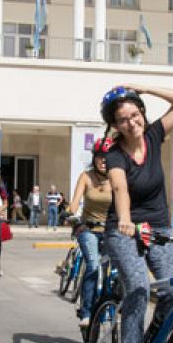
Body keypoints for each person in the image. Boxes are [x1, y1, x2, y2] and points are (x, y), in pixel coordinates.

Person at [100, 84, 173, 343]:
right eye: (123, 119)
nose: (132, 122)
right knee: (138, 289)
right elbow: (120, 189)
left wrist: (144, 89)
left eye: (135, 114)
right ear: (115, 125)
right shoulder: (114, 155)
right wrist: (125, 219)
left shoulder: (153, 135)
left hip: (160, 228)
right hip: (123, 231)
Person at [65, 138, 113, 328]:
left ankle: (110, 305)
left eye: (108, 157)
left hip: (111, 230)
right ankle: (86, 313)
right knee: (93, 265)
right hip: (89, 228)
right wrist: (71, 214)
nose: (104, 161)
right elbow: (75, 200)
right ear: (94, 158)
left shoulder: (117, 177)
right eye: (100, 157)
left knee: (113, 272)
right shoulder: (86, 177)